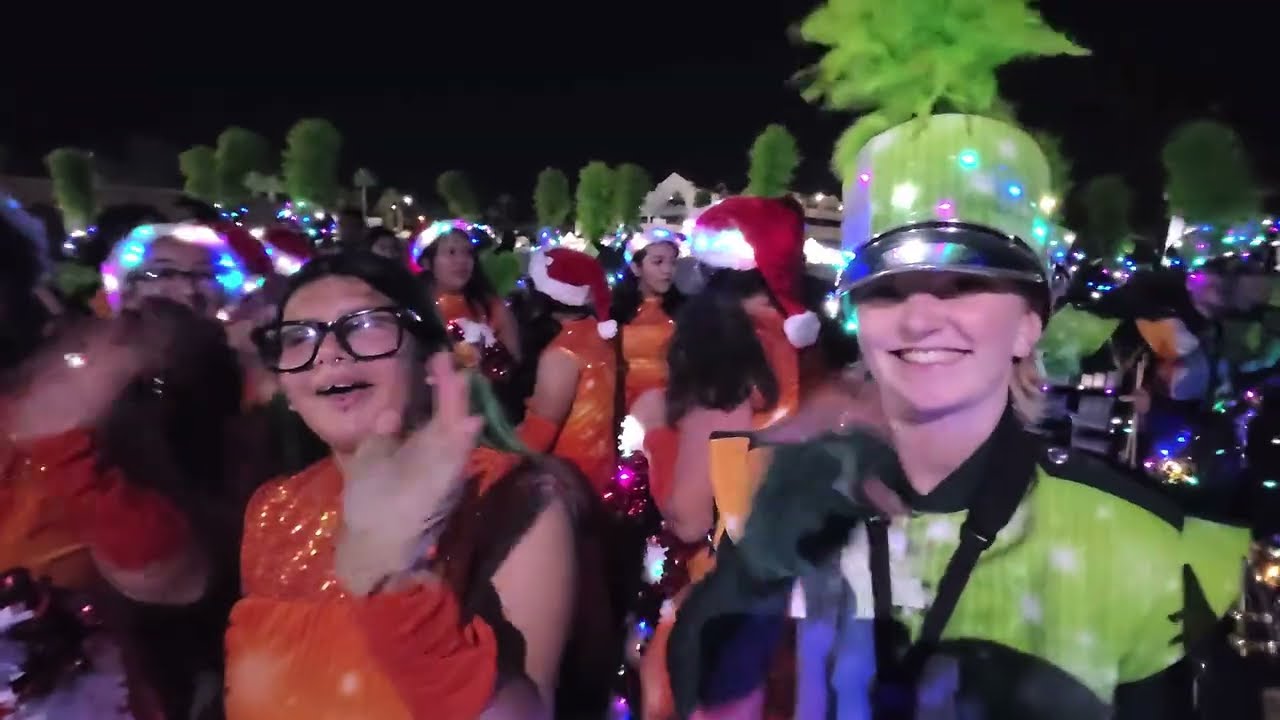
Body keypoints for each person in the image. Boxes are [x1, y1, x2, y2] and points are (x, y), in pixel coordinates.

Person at [667, 114, 1251, 720]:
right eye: (888, 289)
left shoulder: (1143, 542)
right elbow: (699, 693)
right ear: (858, 320)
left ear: (1030, 323)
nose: (920, 319)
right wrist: (761, 570)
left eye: (965, 284)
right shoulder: (799, 506)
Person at [226, 251, 586, 719]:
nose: (330, 353)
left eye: (364, 324)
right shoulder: (272, 506)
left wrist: (392, 581)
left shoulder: (512, 497)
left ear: (427, 361)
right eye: (298, 337)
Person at [513, 247, 619, 494]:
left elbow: (536, 439)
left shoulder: (562, 354)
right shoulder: (597, 334)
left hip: (566, 485)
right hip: (600, 476)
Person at [412, 222, 521, 364]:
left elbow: (514, 364)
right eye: (451, 252)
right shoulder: (414, 313)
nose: (462, 260)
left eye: (468, 252)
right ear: (426, 262)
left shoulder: (493, 309)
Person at [612, 228, 686, 411]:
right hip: (624, 409)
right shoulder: (614, 312)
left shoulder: (687, 311)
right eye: (658, 262)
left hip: (675, 407)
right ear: (636, 267)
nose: (668, 270)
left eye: (673, 262)